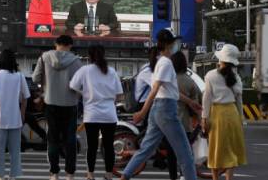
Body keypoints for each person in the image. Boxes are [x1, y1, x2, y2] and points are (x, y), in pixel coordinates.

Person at [120, 29, 198, 180]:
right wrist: (142, 112)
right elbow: (155, 89)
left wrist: (191, 102)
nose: (178, 45)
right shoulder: (166, 63)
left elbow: (169, 91)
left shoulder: (161, 63)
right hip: (166, 110)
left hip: (159, 109)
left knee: (146, 150)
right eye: (175, 42)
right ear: (170, 44)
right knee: (185, 153)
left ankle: (125, 176)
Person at [32, 35, 82, 180]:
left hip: (51, 103)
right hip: (70, 104)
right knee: (70, 139)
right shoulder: (77, 61)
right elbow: (80, 84)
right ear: (70, 45)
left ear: (55, 44)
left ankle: (54, 173)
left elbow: (35, 78)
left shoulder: (44, 58)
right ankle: (70, 174)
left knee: (52, 139)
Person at [70, 45, 123, 180]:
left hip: (91, 114)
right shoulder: (111, 71)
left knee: (92, 146)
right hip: (109, 115)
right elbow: (120, 95)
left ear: (89, 56)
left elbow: (72, 86)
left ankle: (90, 174)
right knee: (108, 146)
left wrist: (84, 94)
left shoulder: (85, 70)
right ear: (104, 54)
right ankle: (109, 174)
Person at [201, 44, 247, 180]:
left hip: (217, 115)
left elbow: (206, 98)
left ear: (220, 59)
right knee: (231, 150)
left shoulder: (210, 76)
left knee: (215, 149)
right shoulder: (236, 78)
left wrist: (204, 117)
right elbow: (239, 101)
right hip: (232, 114)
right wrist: (241, 119)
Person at [0, 49, 31, 180]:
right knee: (15, 151)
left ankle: (0, 176)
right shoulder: (19, 76)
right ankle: (13, 176)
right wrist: (22, 113)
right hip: (15, 119)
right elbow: (25, 97)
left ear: (1, 61)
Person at [164, 51, 202, 180]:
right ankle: (183, 175)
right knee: (184, 153)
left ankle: (172, 177)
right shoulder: (190, 82)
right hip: (184, 123)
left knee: (171, 153)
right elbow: (196, 104)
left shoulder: (168, 79)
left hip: (168, 121)